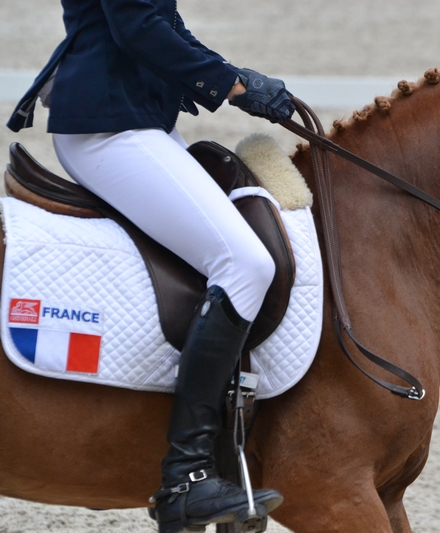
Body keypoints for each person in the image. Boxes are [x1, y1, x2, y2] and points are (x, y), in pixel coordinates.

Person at [7, 1, 294, 532]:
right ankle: (185, 476)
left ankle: (229, 453)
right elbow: (137, 27)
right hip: (111, 127)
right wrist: (232, 85)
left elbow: (163, 20)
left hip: (140, 117)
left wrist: (233, 76)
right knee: (245, 264)